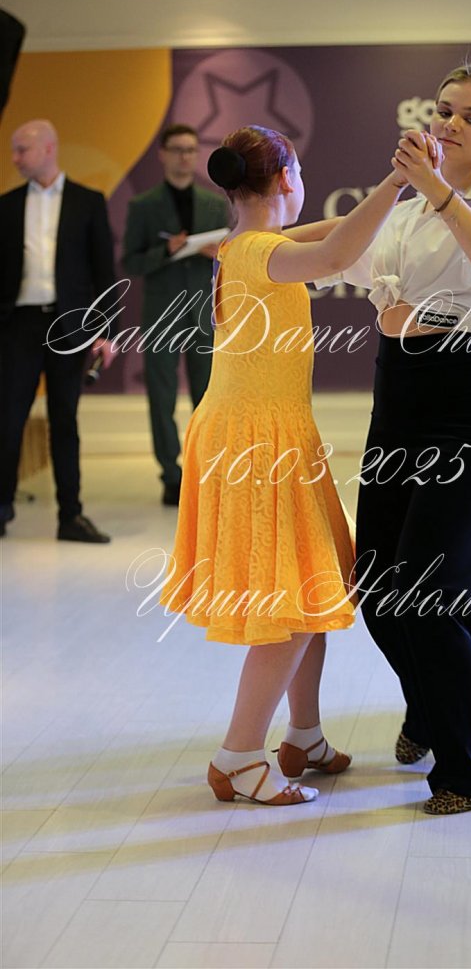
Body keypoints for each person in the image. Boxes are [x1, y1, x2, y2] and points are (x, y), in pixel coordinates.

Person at [160, 125, 408, 806]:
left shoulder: (244, 244)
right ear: (285, 178)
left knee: (309, 592)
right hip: (257, 443)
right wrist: (396, 182)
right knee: (290, 605)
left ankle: (303, 736)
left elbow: (326, 233)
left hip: (261, 432)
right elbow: (337, 251)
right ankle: (239, 757)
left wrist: (405, 203)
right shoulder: (264, 252)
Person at [322, 64, 471, 814]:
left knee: (426, 597)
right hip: (396, 408)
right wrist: (251, 242)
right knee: (378, 588)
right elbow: (334, 245)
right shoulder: (407, 211)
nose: (450, 124)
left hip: (461, 413)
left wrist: (436, 188)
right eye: (445, 110)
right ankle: (429, 708)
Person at [0, 119, 116, 542]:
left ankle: (71, 516)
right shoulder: (7, 205)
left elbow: (104, 271)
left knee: (64, 420)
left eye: (22, 149)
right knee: (7, 420)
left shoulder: (88, 202)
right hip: (18, 325)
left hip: (69, 326)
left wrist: (107, 331)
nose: (15, 157)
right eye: (14, 149)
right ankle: (1, 508)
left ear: (48, 148)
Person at [122, 124, 232, 506]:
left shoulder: (214, 203)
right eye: (178, 149)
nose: (185, 156)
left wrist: (218, 253)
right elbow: (130, 262)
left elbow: (232, 256)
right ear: (163, 154)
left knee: (209, 396)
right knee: (162, 396)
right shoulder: (143, 205)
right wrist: (166, 251)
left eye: (190, 149)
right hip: (162, 312)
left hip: (203, 310)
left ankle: (207, 470)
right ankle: (171, 474)